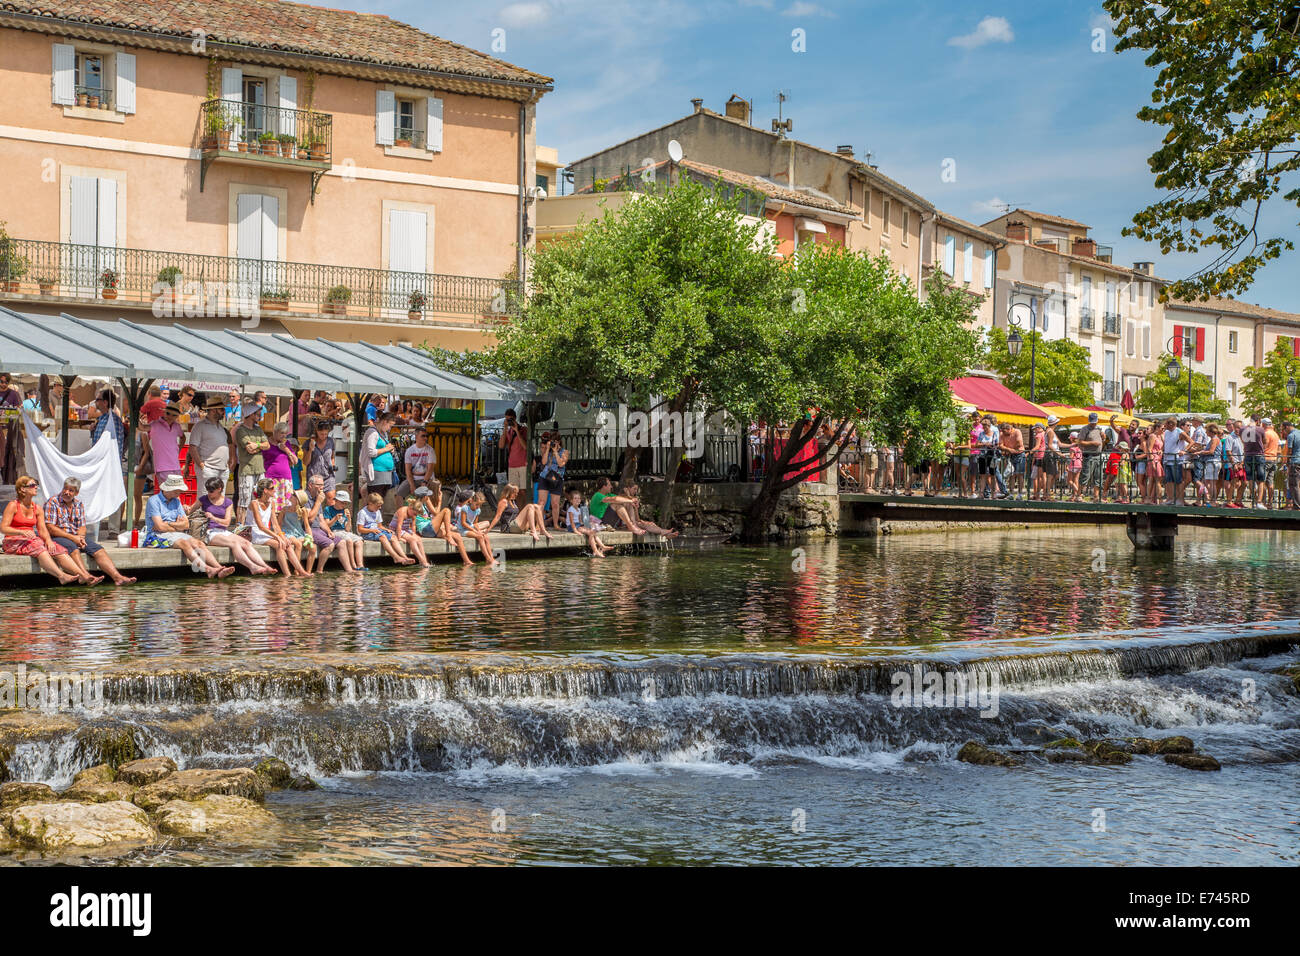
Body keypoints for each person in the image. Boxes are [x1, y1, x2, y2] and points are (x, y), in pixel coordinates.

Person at [2, 476, 102, 585]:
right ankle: (61, 576)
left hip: (30, 540)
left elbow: (43, 530)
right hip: (13, 541)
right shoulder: (13, 505)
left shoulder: (37, 508)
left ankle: (84, 576)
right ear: (22, 489)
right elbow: (3, 528)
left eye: (36, 485)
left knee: (57, 548)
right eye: (32, 485)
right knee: (39, 547)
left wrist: (49, 541)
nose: (36, 487)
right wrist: (21, 532)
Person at [43, 477, 135, 585]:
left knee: (99, 550)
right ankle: (85, 576)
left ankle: (117, 577)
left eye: (71, 490)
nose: (66, 492)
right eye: (65, 489)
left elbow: (82, 526)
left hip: (75, 536)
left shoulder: (78, 504)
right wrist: (74, 538)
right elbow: (50, 528)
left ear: (76, 493)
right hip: (58, 536)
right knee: (73, 548)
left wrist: (80, 538)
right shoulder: (53, 502)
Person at [143, 474, 235, 578]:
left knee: (199, 543)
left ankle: (219, 568)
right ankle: (208, 570)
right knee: (184, 543)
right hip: (156, 536)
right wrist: (177, 526)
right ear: (170, 489)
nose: (181, 492)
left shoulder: (176, 501)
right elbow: (159, 528)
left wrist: (169, 524)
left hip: (175, 533)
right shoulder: (154, 501)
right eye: (178, 490)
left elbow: (186, 525)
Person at [196, 476, 277, 575]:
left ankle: (265, 567)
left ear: (219, 489)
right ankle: (253, 567)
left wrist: (213, 517)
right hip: (210, 532)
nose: (209, 493)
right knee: (235, 544)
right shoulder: (203, 499)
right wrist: (186, 509)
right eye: (208, 490)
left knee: (246, 543)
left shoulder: (227, 502)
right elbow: (190, 510)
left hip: (223, 531)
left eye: (211, 491)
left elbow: (227, 522)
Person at [248, 478, 310, 577]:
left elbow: (275, 524)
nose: (275, 490)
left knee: (287, 544)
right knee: (279, 545)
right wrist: (277, 537)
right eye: (272, 488)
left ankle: (300, 571)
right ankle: (287, 574)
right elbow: (260, 526)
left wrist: (282, 536)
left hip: (265, 532)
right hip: (255, 532)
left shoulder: (272, 503)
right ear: (265, 490)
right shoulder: (254, 503)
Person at [415, 483, 475, 566]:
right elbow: (434, 515)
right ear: (425, 497)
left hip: (428, 530)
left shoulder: (424, 504)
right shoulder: (416, 505)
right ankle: (449, 535)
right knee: (446, 510)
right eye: (427, 496)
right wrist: (440, 501)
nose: (428, 497)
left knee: (457, 536)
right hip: (426, 529)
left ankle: (466, 561)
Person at [186, 396, 234, 490]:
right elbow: (192, 448)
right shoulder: (200, 426)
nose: (224, 411)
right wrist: (202, 466)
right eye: (221, 409)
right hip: (209, 469)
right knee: (206, 499)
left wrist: (228, 467)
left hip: (222, 470)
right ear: (213, 410)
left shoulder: (221, 427)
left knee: (220, 501)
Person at [357, 491, 415, 565]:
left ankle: (405, 557)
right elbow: (360, 529)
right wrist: (371, 530)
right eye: (378, 506)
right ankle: (395, 557)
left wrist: (387, 529)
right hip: (367, 533)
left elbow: (380, 526)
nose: (380, 508)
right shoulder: (362, 513)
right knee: (383, 537)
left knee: (393, 537)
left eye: (380, 506)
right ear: (370, 503)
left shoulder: (377, 511)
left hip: (377, 531)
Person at [235, 404, 269, 522]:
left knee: (260, 498)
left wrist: (257, 445)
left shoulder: (258, 429)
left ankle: (255, 524)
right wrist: (261, 445)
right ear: (250, 415)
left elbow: (267, 445)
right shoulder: (241, 430)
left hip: (260, 468)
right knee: (244, 499)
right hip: (247, 469)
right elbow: (250, 448)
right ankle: (240, 526)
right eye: (257, 413)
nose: (259, 415)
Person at [484, 482, 551, 542]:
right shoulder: (503, 501)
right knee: (530, 506)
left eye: (517, 493)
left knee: (536, 506)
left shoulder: (513, 501)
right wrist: (488, 529)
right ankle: (533, 531)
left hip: (519, 526)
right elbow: (497, 516)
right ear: (509, 492)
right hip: (509, 527)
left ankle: (542, 530)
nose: (516, 495)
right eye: (514, 493)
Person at [321, 486, 365, 571]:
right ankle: (353, 564)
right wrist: (335, 519)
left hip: (344, 531)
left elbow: (347, 529)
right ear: (336, 501)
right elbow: (327, 525)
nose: (344, 505)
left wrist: (349, 519)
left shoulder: (345, 510)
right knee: (348, 540)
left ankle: (360, 564)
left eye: (345, 503)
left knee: (359, 541)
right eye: (342, 502)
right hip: (334, 531)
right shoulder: (328, 509)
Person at [453, 490, 498, 566]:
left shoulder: (478, 510)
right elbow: (463, 523)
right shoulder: (465, 508)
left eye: (480, 505)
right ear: (471, 501)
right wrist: (475, 531)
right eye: (477, 504)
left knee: (485, 537)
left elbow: (475, 523)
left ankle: (491, 558)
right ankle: (488, 559)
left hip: (470, 528)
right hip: (462, 529)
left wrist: (478, 530)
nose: (478, 507)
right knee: (480, 537)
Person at [262, 421, 298, 518]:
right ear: (275, 432)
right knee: (271, 503)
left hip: (285, 479)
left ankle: (282, 526)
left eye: (285, 433)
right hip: (271, 478)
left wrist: (286, 450)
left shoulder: (286, 443)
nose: (284, 436)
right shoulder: (266, 443)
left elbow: (295, 461)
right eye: (282, 433)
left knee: (286, 505)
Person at [360, 412, 398, 503]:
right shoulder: (372, 433)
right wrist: (386, 449)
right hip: (377, 472)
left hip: (386, 473)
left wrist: (389, 449)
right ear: (385, 422)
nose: (390, 429)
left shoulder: (383, 433)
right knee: (375, 501)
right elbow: (371, 452)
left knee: (380, 502)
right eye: (390, 425)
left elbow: (383, 448)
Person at [564, 489, 610, 557]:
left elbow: (580, 521)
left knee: (593, 531)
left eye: (579, 498)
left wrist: (587, 524)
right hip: (572, 526)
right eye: (575, 498)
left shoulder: (579, 509)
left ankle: (602, 546)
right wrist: (575, 531)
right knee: (590, 533)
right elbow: (571, 522)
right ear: (571, 500)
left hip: (578, 525)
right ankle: (595, 551)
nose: (577, 500)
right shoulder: (571, 510)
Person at [389, 495, 432, 567]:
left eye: (416, 515)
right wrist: (399, 538)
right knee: (412, 540)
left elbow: (413, 525)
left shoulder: (413, 513)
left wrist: (413, 533)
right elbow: (399, 526)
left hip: (405, 529)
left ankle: (424, 560)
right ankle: (422, 560)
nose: (415, 515)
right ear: (410, 508)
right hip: (396, 529)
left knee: (419, 539)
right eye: (414, 514)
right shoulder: (402, 511)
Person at [280, 490, 317, 573]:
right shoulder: (285, 509)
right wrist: (281, 535)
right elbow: (278, 525)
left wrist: (310, 536)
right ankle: (297, 571)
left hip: (299, 533)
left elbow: (307, 526)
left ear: (297, 500)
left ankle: (308, 571)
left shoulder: (303, 511)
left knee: (313, 548)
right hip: (287, 532)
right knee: (298, 544)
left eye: (294, 495)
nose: (291, 495)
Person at [537, 432, 568, 527]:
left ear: (558, 441)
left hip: (557, 479)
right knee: (541, 502)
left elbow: (561, 464)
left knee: (555, 504)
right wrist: (547, 449)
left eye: (554, 441)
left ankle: (555, 524)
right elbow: (543, 462)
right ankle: (539, 524)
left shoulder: (564, 452)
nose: (553, 443)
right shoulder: (547, 450)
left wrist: (555, 451)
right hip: (545, 476)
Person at [395, 426, 436, 498]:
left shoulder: (430, 450)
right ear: (416, 437)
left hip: (427, 478)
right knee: (399, 494)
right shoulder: (409, 450)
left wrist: (424, 482)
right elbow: (408, 470)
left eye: (426, 436)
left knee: (430, 495)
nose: (426, 438)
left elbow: (430, 469)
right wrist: (412, 485)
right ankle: (401, 509)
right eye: (423, 436)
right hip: (413, 478)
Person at [498, 409, 530, 491]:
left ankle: (522, 504)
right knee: (514, 491)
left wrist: (517, 431)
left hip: (523, 464)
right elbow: (501, 446)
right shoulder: (508, 432)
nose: (509, 422)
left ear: (515, 418)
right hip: (512, 464)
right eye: (507, 419)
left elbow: (525, 446)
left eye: (510, 419)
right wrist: (505, 428)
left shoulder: (523, 430)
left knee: (523, 490)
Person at [1078, 412, 1107, 503]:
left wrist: (1104, 437)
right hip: (1089, 456)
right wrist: (1092, 443)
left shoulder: (1099, 429)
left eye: (1095, 422)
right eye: (1092, 422)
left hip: (1098, 455)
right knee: (1085, 476)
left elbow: (1104, 440)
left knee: (1099, 477)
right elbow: (1080, 442)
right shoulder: (1084, 429)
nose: (1093, 423)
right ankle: (1079, 495)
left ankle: (1096, 497)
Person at [303, 419, 338, 493]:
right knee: (315, 500)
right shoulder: (308, 442)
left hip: (328, 476)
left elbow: (332, 457)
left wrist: (333, 465)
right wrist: (310, 450)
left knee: (331, 497)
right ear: (317, 432)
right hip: (314, 477)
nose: (324, 436)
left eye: (326, 434)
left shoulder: (331, 441)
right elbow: (305, 462)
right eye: (322, 434)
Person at [1262, 418, 1281, 509]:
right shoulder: (1275, 434)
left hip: (1266, 459)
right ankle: (1270, 502)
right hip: (1273, 459)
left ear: (1264, 424)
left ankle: (1263, 502)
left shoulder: (1266, 433)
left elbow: (1264, 447)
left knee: (1262, 482)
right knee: (1270, 482)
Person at [1284, 421, 1300, 511]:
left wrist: (1287, 463)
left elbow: (1289, 451)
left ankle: (1297, 506)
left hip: (1295, 462)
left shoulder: (1291, 436)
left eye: (1283, 429)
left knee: (1294, 485)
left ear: (1286, 427)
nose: (1284, 432)